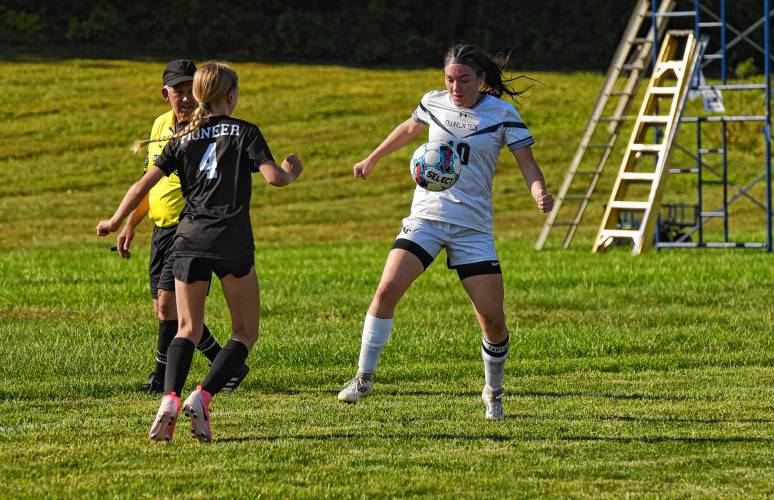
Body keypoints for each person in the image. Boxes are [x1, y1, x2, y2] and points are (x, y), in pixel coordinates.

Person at [337, 44, 554, 420]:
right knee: (386, 291)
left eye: (464, 79)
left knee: (493, 321)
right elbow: (409, 129)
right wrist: (372, 158)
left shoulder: (503, 114)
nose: (455, 86)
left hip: (472, 228)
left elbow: (528, 164)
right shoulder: (433, 102)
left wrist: (539, 191)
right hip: (426, 218)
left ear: (481, 79)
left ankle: (493, 391)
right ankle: (364, 377)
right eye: (450, 79)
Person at [97, 62, 303, 441]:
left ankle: (170, 398)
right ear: (231, 95)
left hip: (188, 238)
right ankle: (203, 394)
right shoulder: (244, 131)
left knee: (187, 328)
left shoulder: (183, 135)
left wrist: (114, 220)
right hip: (231, 239)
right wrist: (290, 169)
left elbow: (143, 184)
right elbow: (274, 178)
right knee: (244, 332)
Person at [116, 59, 249, 394]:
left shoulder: (203, 128)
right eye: (179, 90)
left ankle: (163, 379)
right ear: (166, 94)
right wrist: (131, 222)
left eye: (191, 88)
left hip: (188, 228)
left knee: (168, 305)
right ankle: (226, 364)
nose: (186, 96)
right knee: (168, 310)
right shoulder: (161, 126)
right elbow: (150, 183)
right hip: (161, 229)